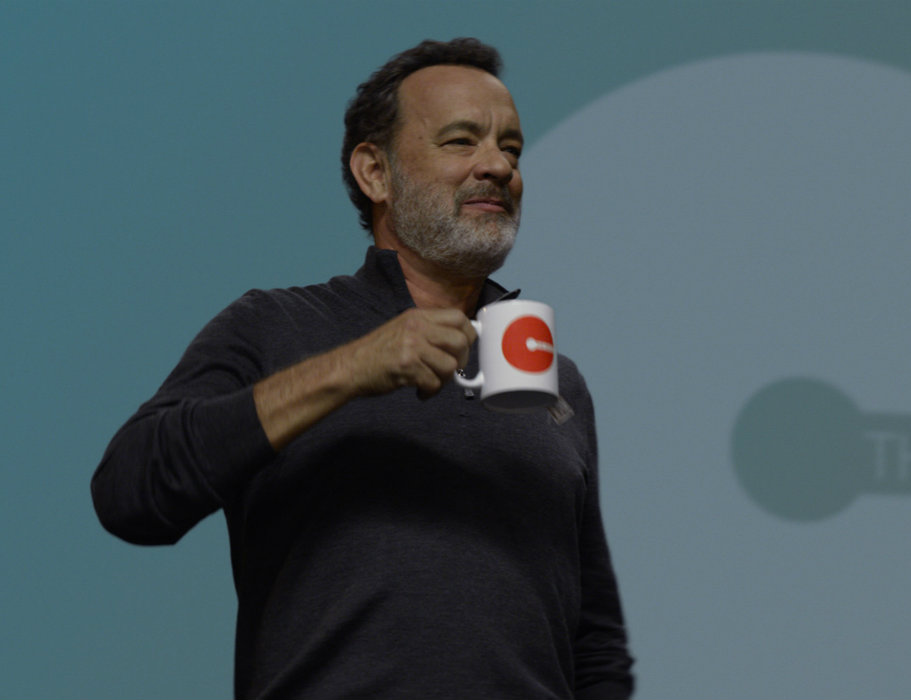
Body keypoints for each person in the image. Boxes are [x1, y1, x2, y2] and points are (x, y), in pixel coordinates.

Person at [91, 38, 634, 700]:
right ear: (376, 172)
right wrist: (352, 367)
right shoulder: (274, 326)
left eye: (512, 149)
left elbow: (595, 639)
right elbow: (129, 493)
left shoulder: (557, 380)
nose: (498, 166)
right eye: (461, 141)